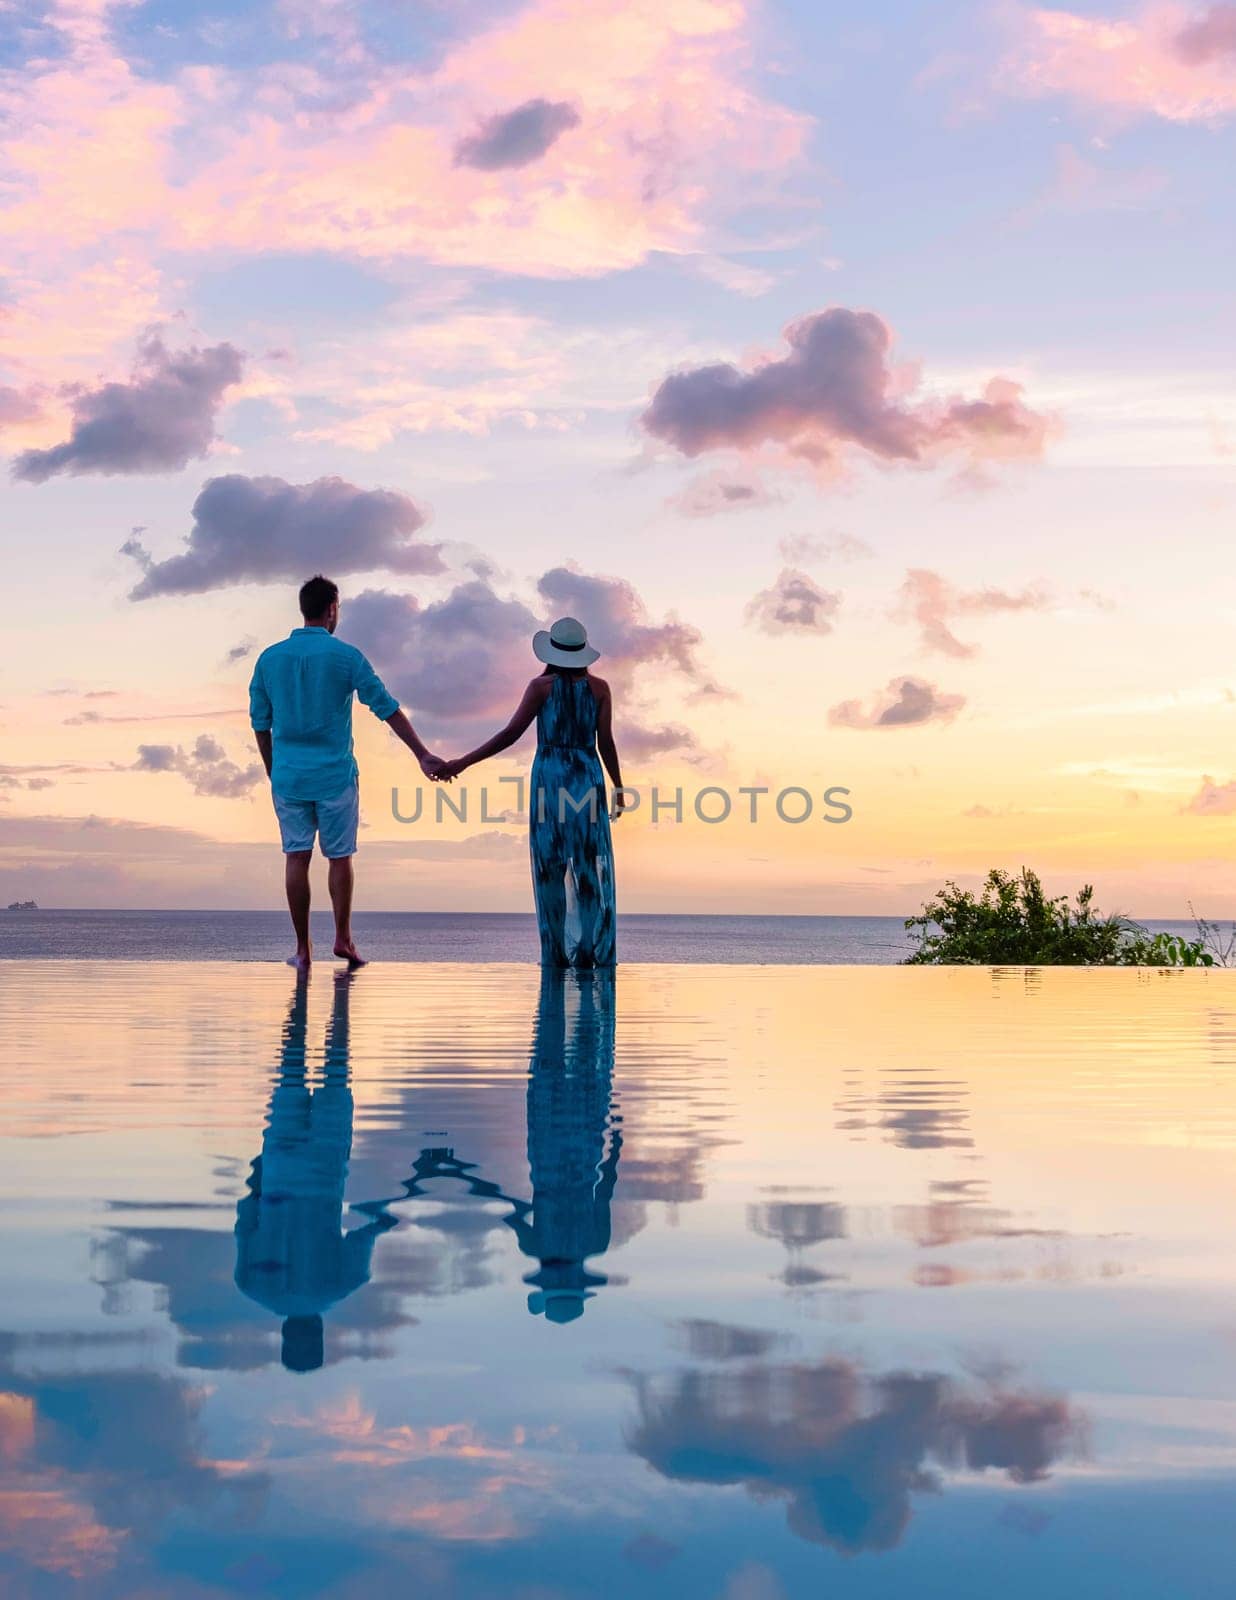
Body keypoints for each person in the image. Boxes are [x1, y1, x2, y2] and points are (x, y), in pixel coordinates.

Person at [249, 574, 443, 968]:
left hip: (288, 776)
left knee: (296, 857)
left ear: (303, 609)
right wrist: (422, 754)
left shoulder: (269, 658)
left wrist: (274, 770)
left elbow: (260, 722)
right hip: (336, 776)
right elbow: (385, 707)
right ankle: (344, 939)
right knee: (340, 857)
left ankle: (303, 950)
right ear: (332, 609)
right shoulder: (347, 657)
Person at [234, 971, 396, 1373]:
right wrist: (262, 1162)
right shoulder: (251, 1285)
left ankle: (339, 996)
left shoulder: (337, 1287)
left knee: (337, 1064)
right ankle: (306, 993)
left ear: (320, 1334)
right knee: (291, 1065)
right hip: (281, 1164)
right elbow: (247, 1210)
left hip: (325, 1164)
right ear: (286, 1336)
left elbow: (368, 1230)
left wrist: (390, 1215)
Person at [439, 617, 621, 968]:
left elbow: (510, 735)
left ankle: (555, 950)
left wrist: (462, 762)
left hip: (550, 780)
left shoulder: (541, 687)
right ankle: (587, 947)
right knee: (586, 864)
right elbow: (607, 743)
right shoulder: (600, 689)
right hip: (587, 778)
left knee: (550, 864)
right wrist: (619, 786)